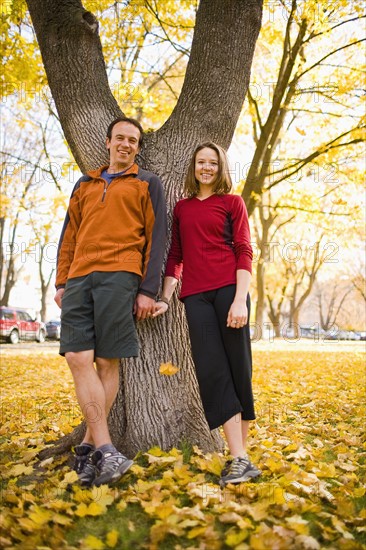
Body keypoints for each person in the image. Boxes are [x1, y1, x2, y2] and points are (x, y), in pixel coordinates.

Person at [55, 116, 167, 487]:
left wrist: (148, 290)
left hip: (121, 274)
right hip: (79, 277)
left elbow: (157, 239)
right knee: (77, 357)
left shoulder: (147, 183)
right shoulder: (85, 183)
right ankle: (105, 448)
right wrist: (61, 281)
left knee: (106, 360)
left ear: (137, 147)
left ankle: (91, 448)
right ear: (107, 142)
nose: (126, 144)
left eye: (132, 140)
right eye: (120, 138)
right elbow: (69, 234)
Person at [153, 142, 260, 485]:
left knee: (239, 371)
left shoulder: (233, 203)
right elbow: (176, 257)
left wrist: (240, 300)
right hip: (196, 298)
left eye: (213, 163)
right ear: (194, 167)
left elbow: (244, 250)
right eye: (201, 162)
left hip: (231, 290)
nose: (207, 168)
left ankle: (240, 457)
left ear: (221, 167)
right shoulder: (182, 208)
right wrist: (167, 297)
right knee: (213, 372)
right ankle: (240, 459)